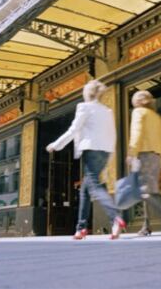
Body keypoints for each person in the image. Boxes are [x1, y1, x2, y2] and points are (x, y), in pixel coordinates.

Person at [46, 80, 126, 240]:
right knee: (85, 189)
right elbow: (113, 132)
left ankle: (115, 216)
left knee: (94, 185)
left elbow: (74, 129)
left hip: (91, 149)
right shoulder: (107, 110)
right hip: (105, 150)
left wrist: (56, 144)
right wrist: (110, 151)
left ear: (87, 93)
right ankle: (81, 228)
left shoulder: (84, 107)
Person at [127, 90, 161, 236]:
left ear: (137, 101)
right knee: (147, 189)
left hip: (144, 153)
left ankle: (154, 218)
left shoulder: (138, 112)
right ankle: (148, 223)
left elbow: (137, 132)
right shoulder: (157, 117)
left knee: (142, 190)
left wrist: (131, 153)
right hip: (156, 155)